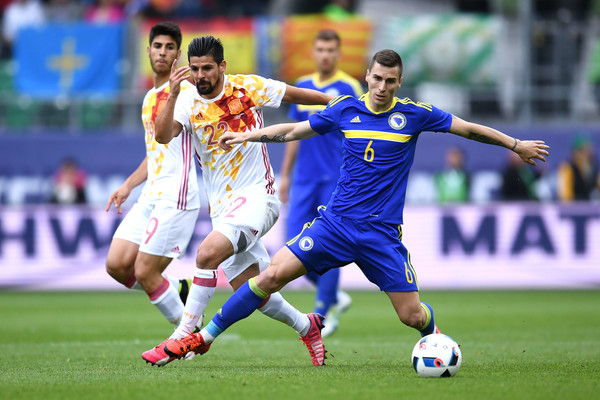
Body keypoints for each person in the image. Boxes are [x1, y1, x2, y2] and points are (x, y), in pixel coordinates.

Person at [156, 49, 550, 365]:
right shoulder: (346, 109)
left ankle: (433, 337)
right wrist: (247, 137)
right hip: (336, 225)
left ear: (399, 82)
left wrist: (516, 144)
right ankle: (202, 338)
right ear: (367, 75)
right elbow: (293, 129)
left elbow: (469, 129)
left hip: (380, 235)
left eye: (390, 81)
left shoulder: (415, 115)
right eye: (376, 78)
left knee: (411, 316)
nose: (381, 87)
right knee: (271, 275)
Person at [141, 35, 333, 367]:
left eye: (208, 68)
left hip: (260, 199)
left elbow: (297, 95)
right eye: (196, 69)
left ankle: (184, 334)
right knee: (253, 292)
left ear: (222, 67)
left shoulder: (247, 88)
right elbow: (161, 136)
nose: (201, 75)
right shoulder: (186, 101)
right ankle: (307, 325)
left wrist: (338, 102)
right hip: (224, 209)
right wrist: (172, 93)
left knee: (206, 254)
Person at [105, 22, 199, 331]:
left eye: (169, 47)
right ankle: (177, 289)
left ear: (178, 54)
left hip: (176, 193)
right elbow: (153, 153)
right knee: (117, 266)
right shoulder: (148, 98)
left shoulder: (185, 93)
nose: (162, 52)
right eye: (157, 46)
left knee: (145, 272)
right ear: (148, 51)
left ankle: (187, 334)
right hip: (150, 195)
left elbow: (167, 137)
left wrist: (173, 92)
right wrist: (127, 186)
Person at [281, 29, 362, 337]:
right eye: (320, 49)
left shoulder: (349, 87)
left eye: (331, 50)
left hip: (335, 180)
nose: (325, 55)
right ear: (313, 53)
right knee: (292, 245)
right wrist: (286, 174)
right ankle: (335, 297)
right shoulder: (301, 86)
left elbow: (357, 134)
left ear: (338, 54)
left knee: (327, 246)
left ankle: (322, 312)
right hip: (303, 179)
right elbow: (293, 134)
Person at [557, 135, 599, 201]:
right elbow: (565, 197)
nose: (587, 155)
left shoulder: (593, 168)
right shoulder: (567, 168)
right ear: (575, 152)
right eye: (584, 151)